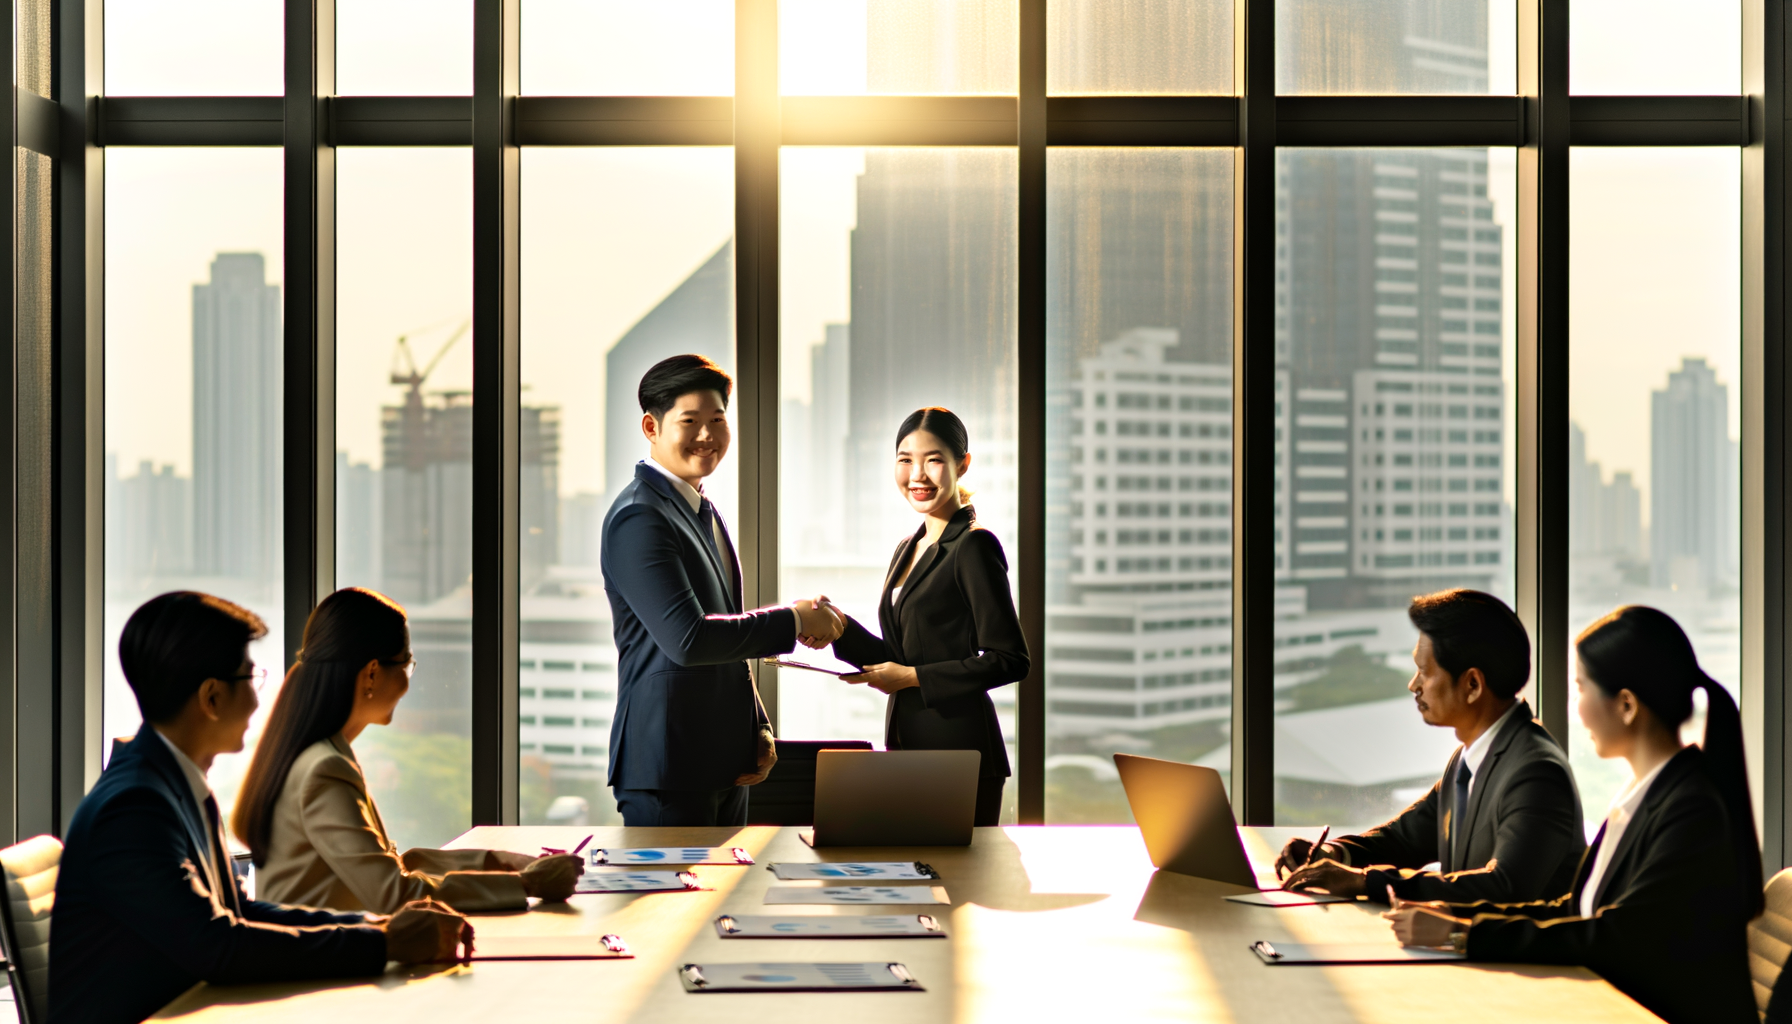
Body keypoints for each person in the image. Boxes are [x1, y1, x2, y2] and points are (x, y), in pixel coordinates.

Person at [50, 592, 468, 1024]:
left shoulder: (174, 785)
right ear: (212, 698)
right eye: (251, 678)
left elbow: (236, 912)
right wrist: (384, 945)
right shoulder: (133, 809)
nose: (257, 700)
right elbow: (219, 946)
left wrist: (377, 929)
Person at [1384, 606, 1760, 1024]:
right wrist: (1458, 920)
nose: (1576, 709)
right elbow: (1575, 911)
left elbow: (1616, 937)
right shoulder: (1643, 797)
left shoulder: (1691, 811)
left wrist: (1464, 935)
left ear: (1627, 706)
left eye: (1581, 688)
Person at [603, 354, 844, 826]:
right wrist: (793, 620)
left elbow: (724, 633)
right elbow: (689, 640)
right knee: (669, 902)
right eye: (689, 421)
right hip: (668, 767)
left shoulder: (700, 509)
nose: (707, 435)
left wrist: (756, 724)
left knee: (721, 900)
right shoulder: (640, 516)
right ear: (651, 427)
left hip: (727, 762)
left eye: (717, 420)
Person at [236, 587, 583, 913]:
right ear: (372, 673)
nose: (407, 679)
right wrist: (527, 884)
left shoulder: (315, 756)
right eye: (406, 664)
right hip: (321, 971)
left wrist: (499, 862)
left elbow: (390, 865)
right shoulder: (324, 771)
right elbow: (395, 894)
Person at [1279, 589, 1584, 903]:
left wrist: (1365, 883)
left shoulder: (1536, 773)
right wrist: (1334, 854)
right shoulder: (1469, 759)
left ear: (1473, 685)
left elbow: (1503, 886)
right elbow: (1404, 839)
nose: (1414, 685)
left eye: (1424, 671)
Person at [816, 407, 1030, 827]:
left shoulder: (973, 546)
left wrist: (913, 678)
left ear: (961, 464)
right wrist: (839, 626)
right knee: (917, 885)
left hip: (961, 753)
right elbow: (899, 654)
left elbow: (1011, 658)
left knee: (958, 886)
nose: (918, 474)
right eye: (905, 460)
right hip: (908, 747)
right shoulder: (908, 546)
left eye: (933, 460)